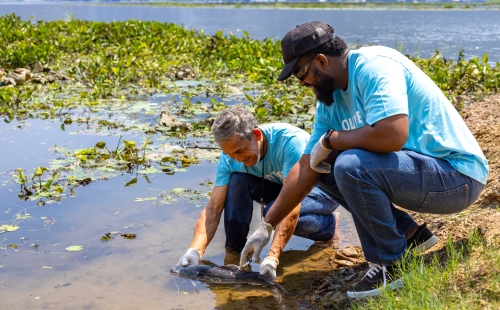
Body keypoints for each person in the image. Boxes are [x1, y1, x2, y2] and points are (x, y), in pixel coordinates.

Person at [239, 21, 488, 298]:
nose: (301, 83)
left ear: (320, 61)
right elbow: (307, 166)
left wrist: (333, 140)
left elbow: (392, 135)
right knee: (326, 164)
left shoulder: (374, 66)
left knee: (348, 163)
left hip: (457, 178)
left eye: (300, 73)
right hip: (419, 175)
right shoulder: (329, 102)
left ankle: (390, 264)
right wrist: (267, 224)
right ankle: (408, 234)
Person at [177, 106, 341, 280]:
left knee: (271, 213)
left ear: (256, 135)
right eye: (231, 155)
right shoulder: (230, 157)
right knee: (237, 181)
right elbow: (213, 209)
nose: (238, 159)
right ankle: (235, 252)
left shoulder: (290, 142)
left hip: (321, 188)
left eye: (240, 151)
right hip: (282, 187)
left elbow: (291, 207)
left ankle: (328, 226)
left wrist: (272, 257)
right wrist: (195, 251)